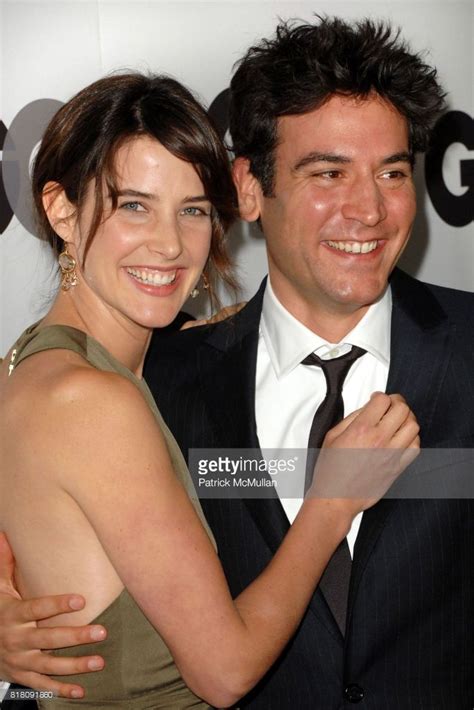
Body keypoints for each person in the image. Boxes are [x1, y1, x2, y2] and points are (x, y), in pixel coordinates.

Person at [1, 15, 472, 708]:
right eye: (328, 172)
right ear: (250, 189)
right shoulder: (157, 379)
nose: (368, 208)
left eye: (392, 172)